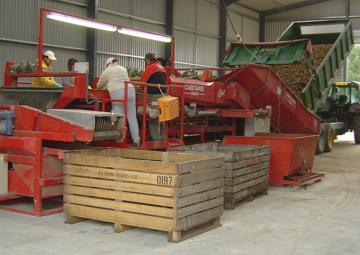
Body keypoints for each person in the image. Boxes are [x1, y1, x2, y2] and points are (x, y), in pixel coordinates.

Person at [97, 58, 140, 147]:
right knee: (132, 116)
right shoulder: (122, 68)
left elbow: (99, 85)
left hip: (117, 91)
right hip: (130, 90)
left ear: (107, 64)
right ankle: (136, 139)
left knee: (120, 117)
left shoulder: (107, 71)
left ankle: (120, 141)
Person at [140, 52, 167, 141]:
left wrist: (141, 88)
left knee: (153, 116)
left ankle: (156, 139)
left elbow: (143, 82)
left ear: (148, 60)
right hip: (163, 94)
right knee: (162, 117)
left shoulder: (150, 68)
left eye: (145, 61)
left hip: (154, 95)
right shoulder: (161, 67)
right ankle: (163, 138)